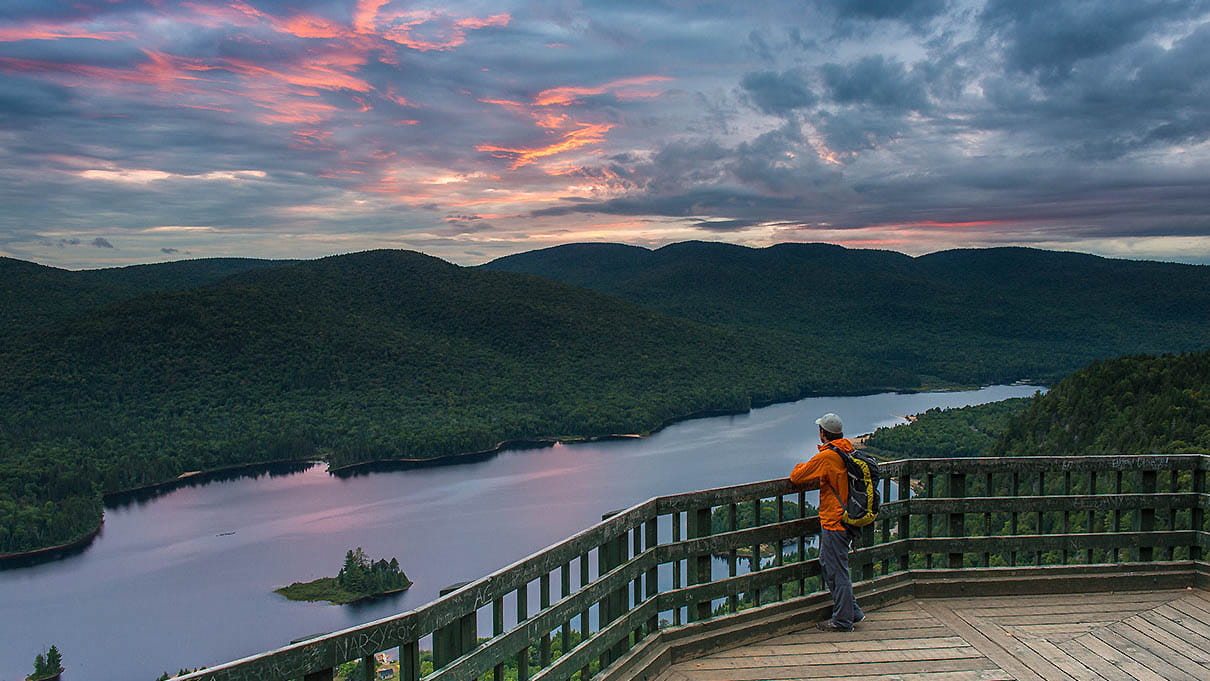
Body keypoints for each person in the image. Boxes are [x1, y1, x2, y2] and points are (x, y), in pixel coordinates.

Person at [789, 412, 865, 632]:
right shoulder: (847, 449)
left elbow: (797, 477)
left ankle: (842, 621)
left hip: (835, 521)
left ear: (823, 433)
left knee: (836, 570)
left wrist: (800, 465)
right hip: (849, 517)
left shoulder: (827, 457)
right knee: (829, 563)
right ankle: (853, 611)